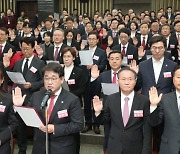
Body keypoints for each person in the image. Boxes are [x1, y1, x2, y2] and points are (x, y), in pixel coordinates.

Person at [13, 62, 83, 154]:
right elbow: (25, 119)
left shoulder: (72, 99)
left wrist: (55, 129)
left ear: (62, 79)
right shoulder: (36, 96)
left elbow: (78, 125)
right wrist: (18, 107)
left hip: (62, 148)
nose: (49, 82)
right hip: (40, 147)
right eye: (46, 78)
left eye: (53, 78)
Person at [93, 67, 151, 154]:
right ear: (117, 81)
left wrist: (146, 151)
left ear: (135, 81)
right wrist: (98, 112)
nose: (126, 82)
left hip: (136, 147)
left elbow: (147, 130)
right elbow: (105, 121)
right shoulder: (110, 99)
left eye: (130, 79)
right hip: (114, 146)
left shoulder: (144, 101)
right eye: (123, 79)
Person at [148, 65, 180, 154]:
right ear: (173, 79)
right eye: (178, 77)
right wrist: (154, 105)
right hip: (169, 147)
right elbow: (154, 123)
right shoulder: (164, 99)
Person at [0, 62, 17, 154]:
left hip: (2, 142)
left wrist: (1, 138)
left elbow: (13, 124)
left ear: (2, 80)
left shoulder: (8, 99)